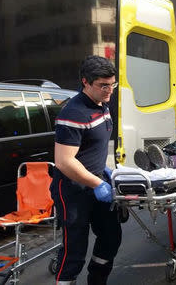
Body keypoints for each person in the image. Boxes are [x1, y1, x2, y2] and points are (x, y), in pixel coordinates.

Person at [50, 55, 121, 285]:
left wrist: (105, 171)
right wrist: (97, 182)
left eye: (112, 84)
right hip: (72, 189)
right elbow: (64, 162)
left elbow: (94, 147)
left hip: (96, 182)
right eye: (103, 85)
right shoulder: (73, 113)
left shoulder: (103, 104)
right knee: (74, 250)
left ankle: (97, 281)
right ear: (85, 82)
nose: (109, 90)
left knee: (111, 236)